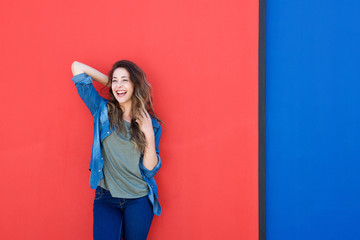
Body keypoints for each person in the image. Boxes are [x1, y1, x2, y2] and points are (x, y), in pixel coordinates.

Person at [71, 60, 163, 240]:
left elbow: (150, 170)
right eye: (115, 80)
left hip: (139, 199)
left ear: (135, 84)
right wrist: (117, 87)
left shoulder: (151, 124)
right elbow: (77, 67)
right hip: (106, 197)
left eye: (125, 80)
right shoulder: (103, 111)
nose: (119, 84)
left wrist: (149, 136)